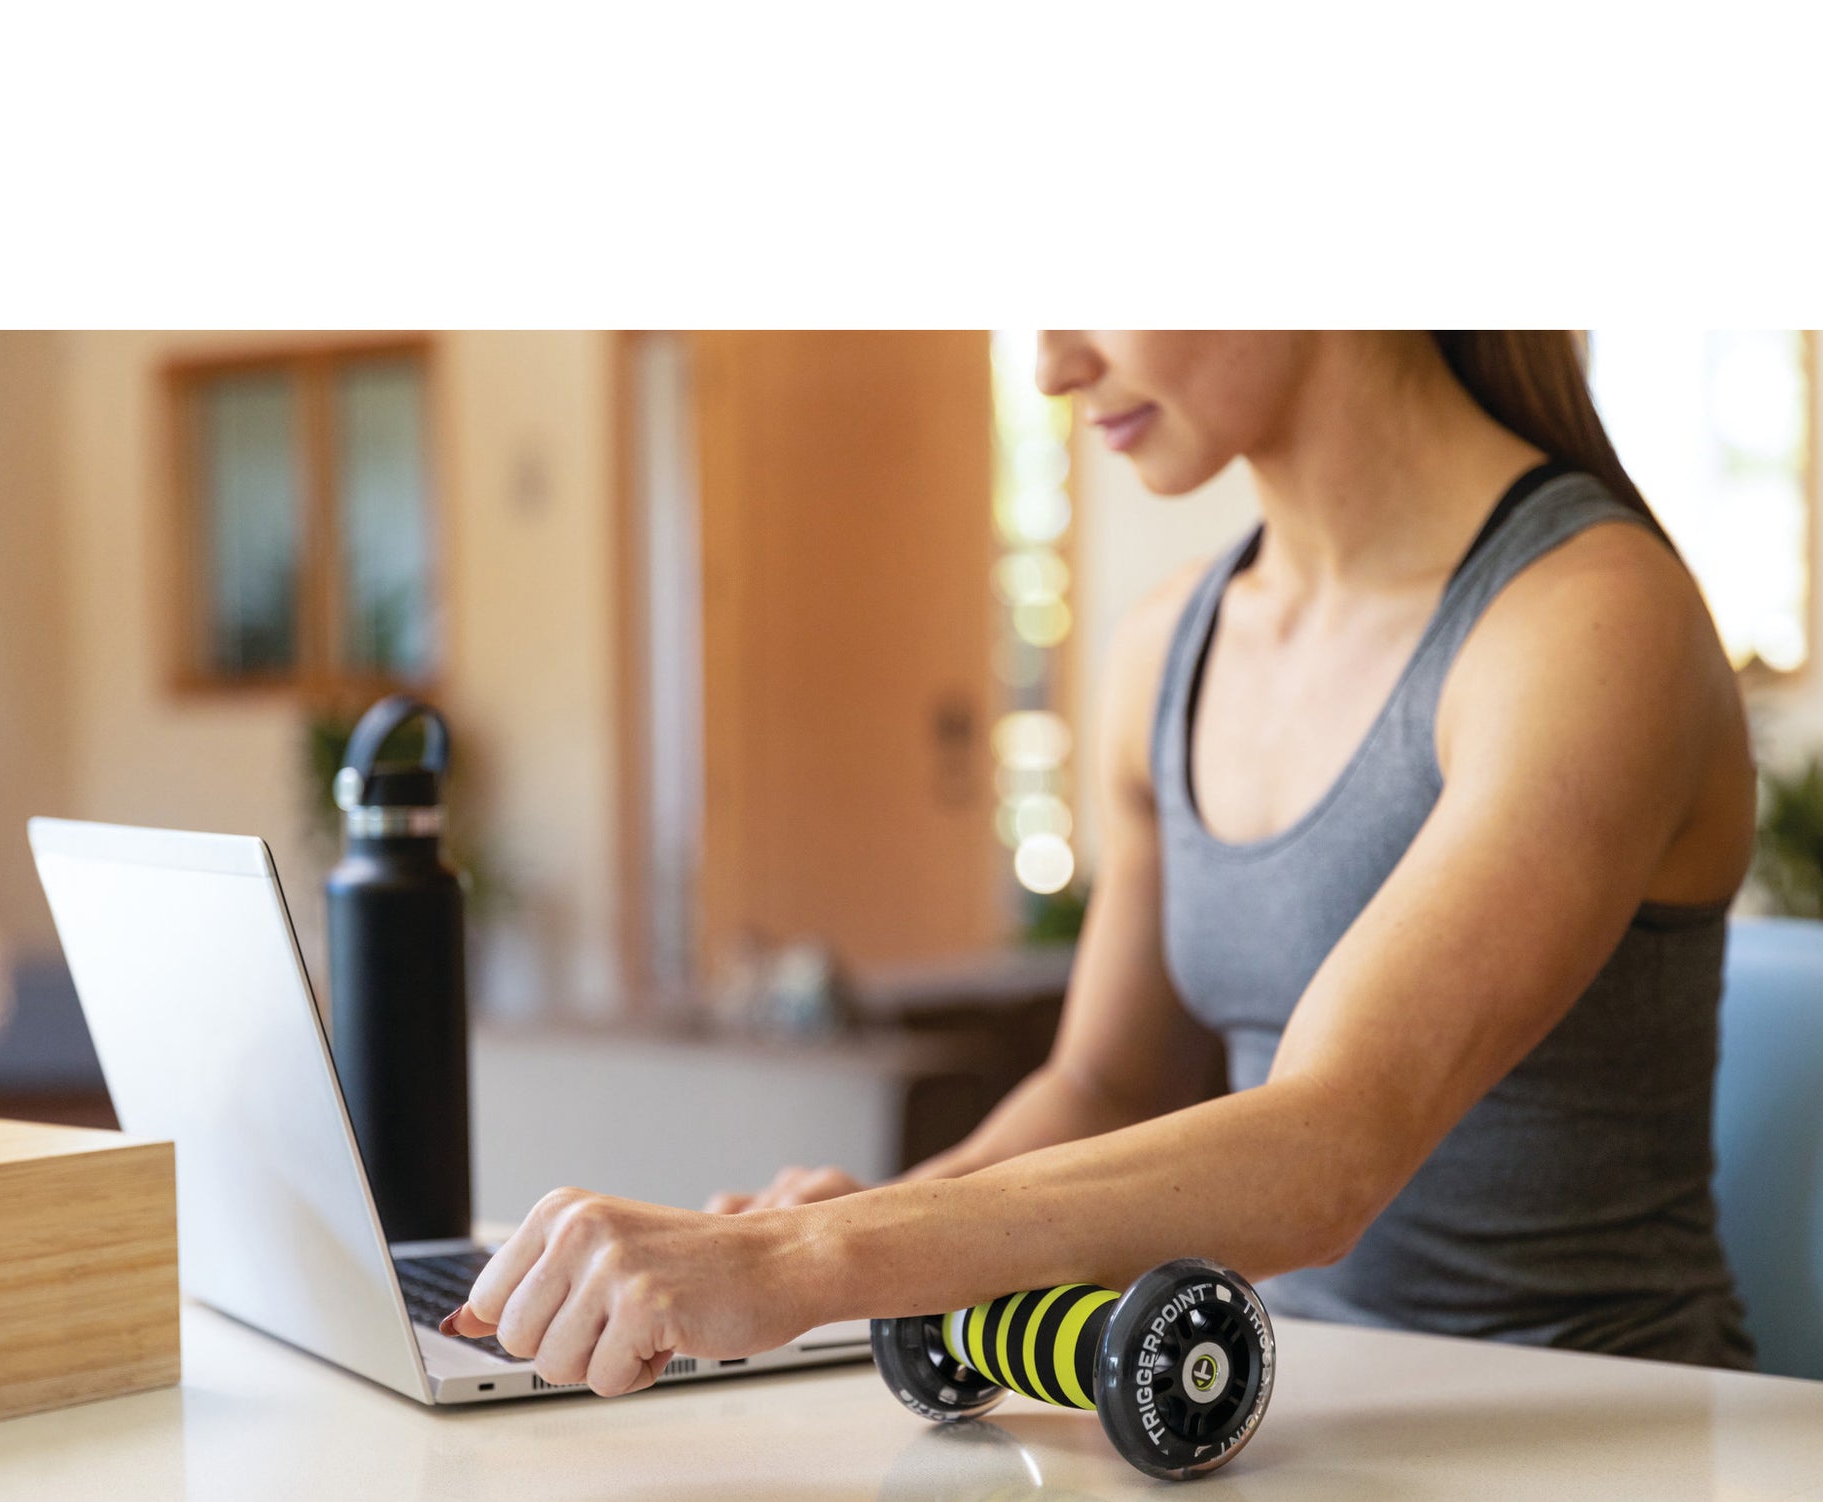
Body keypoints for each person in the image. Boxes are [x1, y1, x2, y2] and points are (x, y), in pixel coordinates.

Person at [444, 330, 1758, 1391]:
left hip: (1601, 1444)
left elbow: (1329, 1148)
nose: (1053, 364)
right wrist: (850, 1227)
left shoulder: (1587, 622)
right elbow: (1107, 1079)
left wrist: (806, 1258)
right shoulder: (1164, 647)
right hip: (1311, 1416)